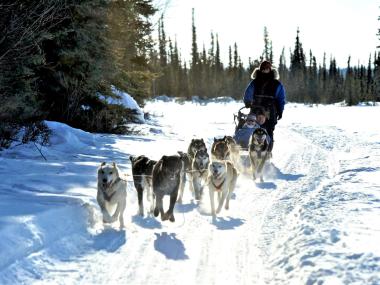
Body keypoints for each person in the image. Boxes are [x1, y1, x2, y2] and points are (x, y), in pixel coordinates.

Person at [243, 60, 286, 152]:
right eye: (263, 68)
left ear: (270, 69)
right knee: (252, 128)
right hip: (255, 109)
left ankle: (268, 152)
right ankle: (252, 148)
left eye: (267, 68)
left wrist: (280, 110)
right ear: (260, 69)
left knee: (268, 131)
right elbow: (248, 93)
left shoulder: (276, 84)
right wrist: (247, 101)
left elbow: (280, 98)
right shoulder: (255, 82)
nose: (264, 70)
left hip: (270, 111)